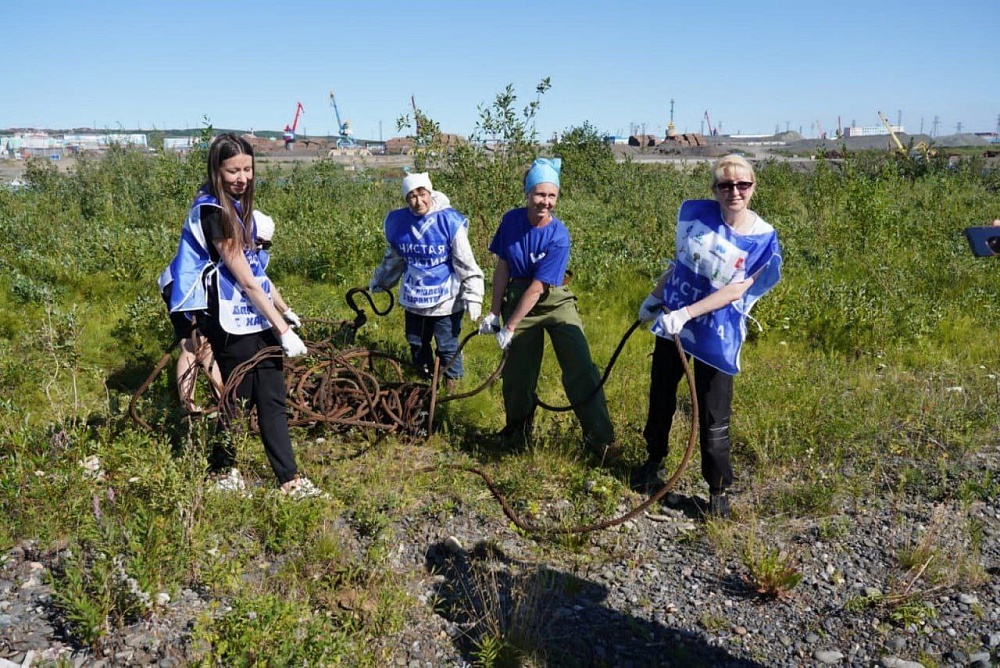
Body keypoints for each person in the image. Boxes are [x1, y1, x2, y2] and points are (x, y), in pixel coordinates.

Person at [164, 133, 321, 498]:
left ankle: (262, 475)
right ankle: (250, 475)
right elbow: (245, 279)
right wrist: (282, 331)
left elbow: (257, 272)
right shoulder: (214, 211)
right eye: (233, 170)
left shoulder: (235, 207)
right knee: (248, 394)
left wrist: (284, 311)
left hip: (247, 309)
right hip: (224, 312)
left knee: (258, 393)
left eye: (247, 169)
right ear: (216, 170)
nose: (242, 178)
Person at [631, 154, 782, 518]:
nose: (734, 192)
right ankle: (652, 464)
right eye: (726, 185)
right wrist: (656, 297)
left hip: (716, 331)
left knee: (714, 411)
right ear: (714, 189)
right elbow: (680, 262)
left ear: (753, 187)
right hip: (674, 322)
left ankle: (718, 491)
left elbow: (735, 290)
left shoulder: (761, 236)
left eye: (742, 185)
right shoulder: (699, 216)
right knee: (661, 393)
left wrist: (686, 314)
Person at [479, 158, 616, 459]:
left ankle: (600, 440)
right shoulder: (511, 221)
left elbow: (539, 287)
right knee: (517, 375)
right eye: (540, 194)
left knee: (580, 367)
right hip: (517, 297)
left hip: (554, 300)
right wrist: (492, 313)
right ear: (528, 193)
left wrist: (510, 326)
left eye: (552, 196)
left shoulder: (559, 236)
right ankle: (517, 433)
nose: (546, 202)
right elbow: (502, 267)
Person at [369, 172, 484, 389]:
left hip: (446, 299)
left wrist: (474, 295)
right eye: (412, 196)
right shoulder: (399, 223)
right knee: (416, 343)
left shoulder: (449, 221)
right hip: (414, 296)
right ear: (406, 199)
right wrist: (380, 281)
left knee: (447, 346)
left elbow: (465, 261)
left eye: (422, 194)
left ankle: (452, 390)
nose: (418, 201)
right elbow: (394, 259)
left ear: (430, 193)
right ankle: (425, 383)